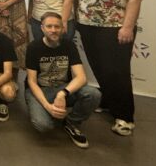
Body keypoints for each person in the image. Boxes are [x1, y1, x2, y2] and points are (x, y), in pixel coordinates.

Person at [75, 0, 142, 136]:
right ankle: (108, 101)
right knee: (99, 68)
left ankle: (125, 117)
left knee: (117, 72)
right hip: (87, 25)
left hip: (114, 27)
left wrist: (127, 27)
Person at [25, 12, 101, 148]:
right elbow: (32, 82)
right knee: (43, 125)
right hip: (40, 90)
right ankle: (50, 110)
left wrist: (63, 93)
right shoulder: (33, 47)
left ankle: (71, 122)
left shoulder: (69, 45)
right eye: (49, 26)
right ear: (42, 28)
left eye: (57, 26)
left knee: (93, 94)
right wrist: (47, 106)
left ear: (62, 28)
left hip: (62, 88)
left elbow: (81, 77)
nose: (53, 30)